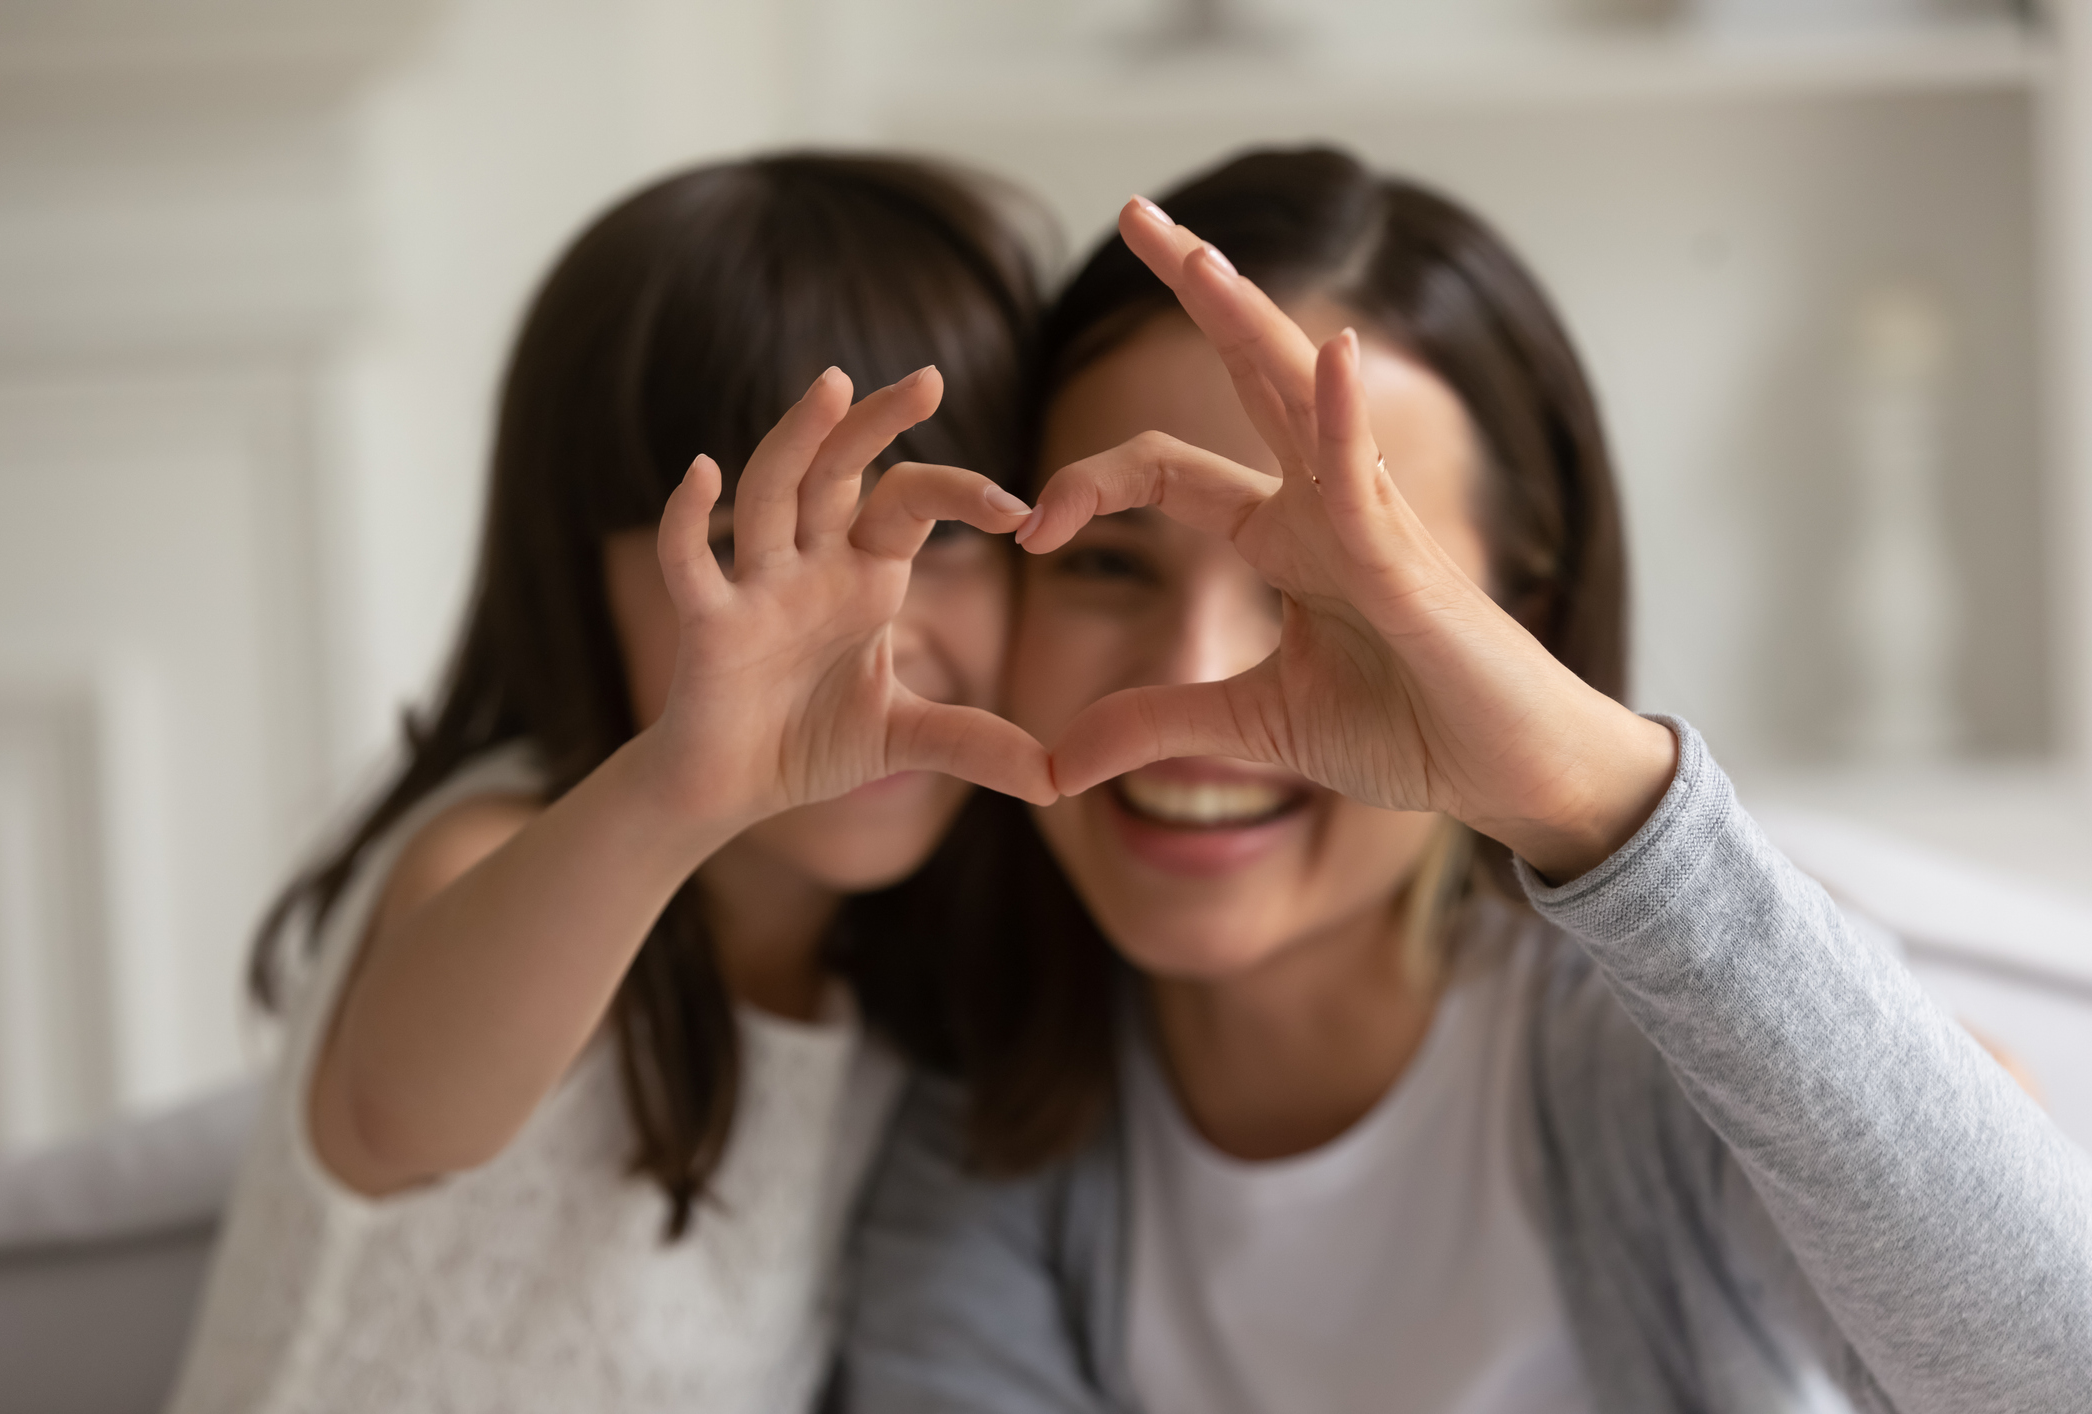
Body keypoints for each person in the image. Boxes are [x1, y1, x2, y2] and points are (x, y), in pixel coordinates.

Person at [840, 148, 2092, 1413]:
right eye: (1105, 568)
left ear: (1522, 627)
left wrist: (1594, 795)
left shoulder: (1688, 1053)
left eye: (1328, 593)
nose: (1195, 681)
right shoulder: (976, 1136)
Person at [167, 153, 1054, 1414]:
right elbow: (405, 1104)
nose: (869, 636)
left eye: (944, 540)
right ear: (578, 577)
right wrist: (683, 789)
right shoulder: (489, 853)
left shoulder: (895, 977)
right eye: (763, 553)